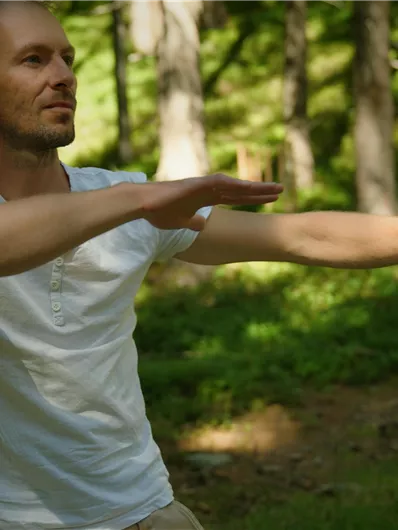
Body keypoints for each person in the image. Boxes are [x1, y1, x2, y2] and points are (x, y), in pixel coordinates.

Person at [0, 1, 397, 529]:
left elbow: (300, 235)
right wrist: (136, 199)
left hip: (145, 510)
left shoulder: (121, 199)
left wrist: (133, 200)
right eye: (34, 59)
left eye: (68, 59)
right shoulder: (131, 203)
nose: (64, 76)